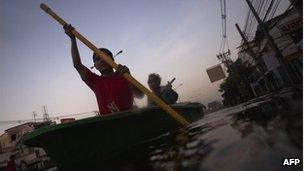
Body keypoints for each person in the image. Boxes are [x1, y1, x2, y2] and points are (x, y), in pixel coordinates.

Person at [63, 24, 143, 115]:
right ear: (95, 66)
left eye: (105, 56)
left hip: (131, 120)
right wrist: (73, 39)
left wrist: (129, 78)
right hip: (109, 125)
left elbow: (140, 95)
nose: (102, 60)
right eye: (98, 59)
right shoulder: (95, 81)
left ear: (112, 60)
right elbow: (77, 65)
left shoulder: (123, 75)